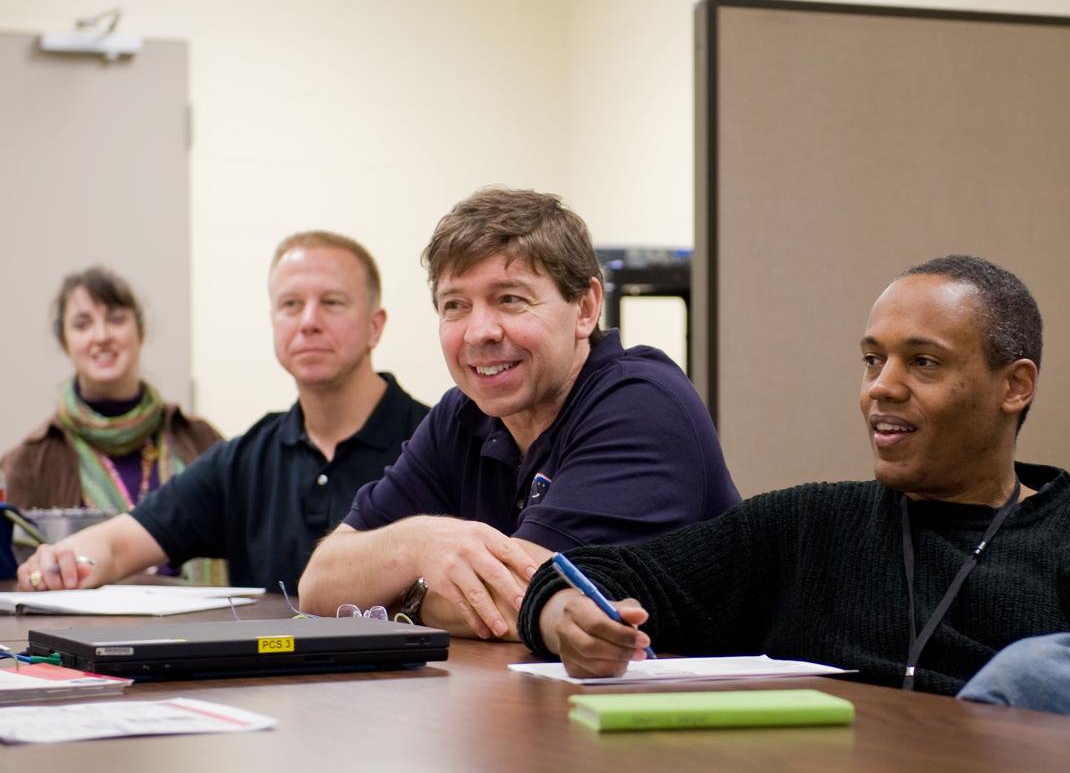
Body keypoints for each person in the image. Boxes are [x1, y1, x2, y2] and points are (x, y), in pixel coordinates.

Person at [520, 254, 1070, 747]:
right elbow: (580, 574)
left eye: (923, 362)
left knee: (1042, 674)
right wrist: (565, 618)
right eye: (874, 359)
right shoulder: (807, 525)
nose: (881, 386)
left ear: (1015, 385)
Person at [300, 187, 739, 640]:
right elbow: (319, 585)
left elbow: (520, 599)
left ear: (585, 309)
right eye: (455, 305)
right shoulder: (462, 414)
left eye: (510, 298)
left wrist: (400, 594)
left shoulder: (642, 403)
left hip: (691, 704)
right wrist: (418, 542)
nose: (480, 331)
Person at [15, 231, 429, 593]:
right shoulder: (245, 460)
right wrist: (61, 562)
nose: (308, 322)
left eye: (332, 303)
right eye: (290, 304)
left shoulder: (434, 443)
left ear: (375, 325)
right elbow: (120, 543)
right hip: (269, 685)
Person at [2, 267, 222, 512]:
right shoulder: (30, 462)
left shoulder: (200, 439)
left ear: (140, 331)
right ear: (65, 342)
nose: (102, 336)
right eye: (82, 325)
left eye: (115, 319)